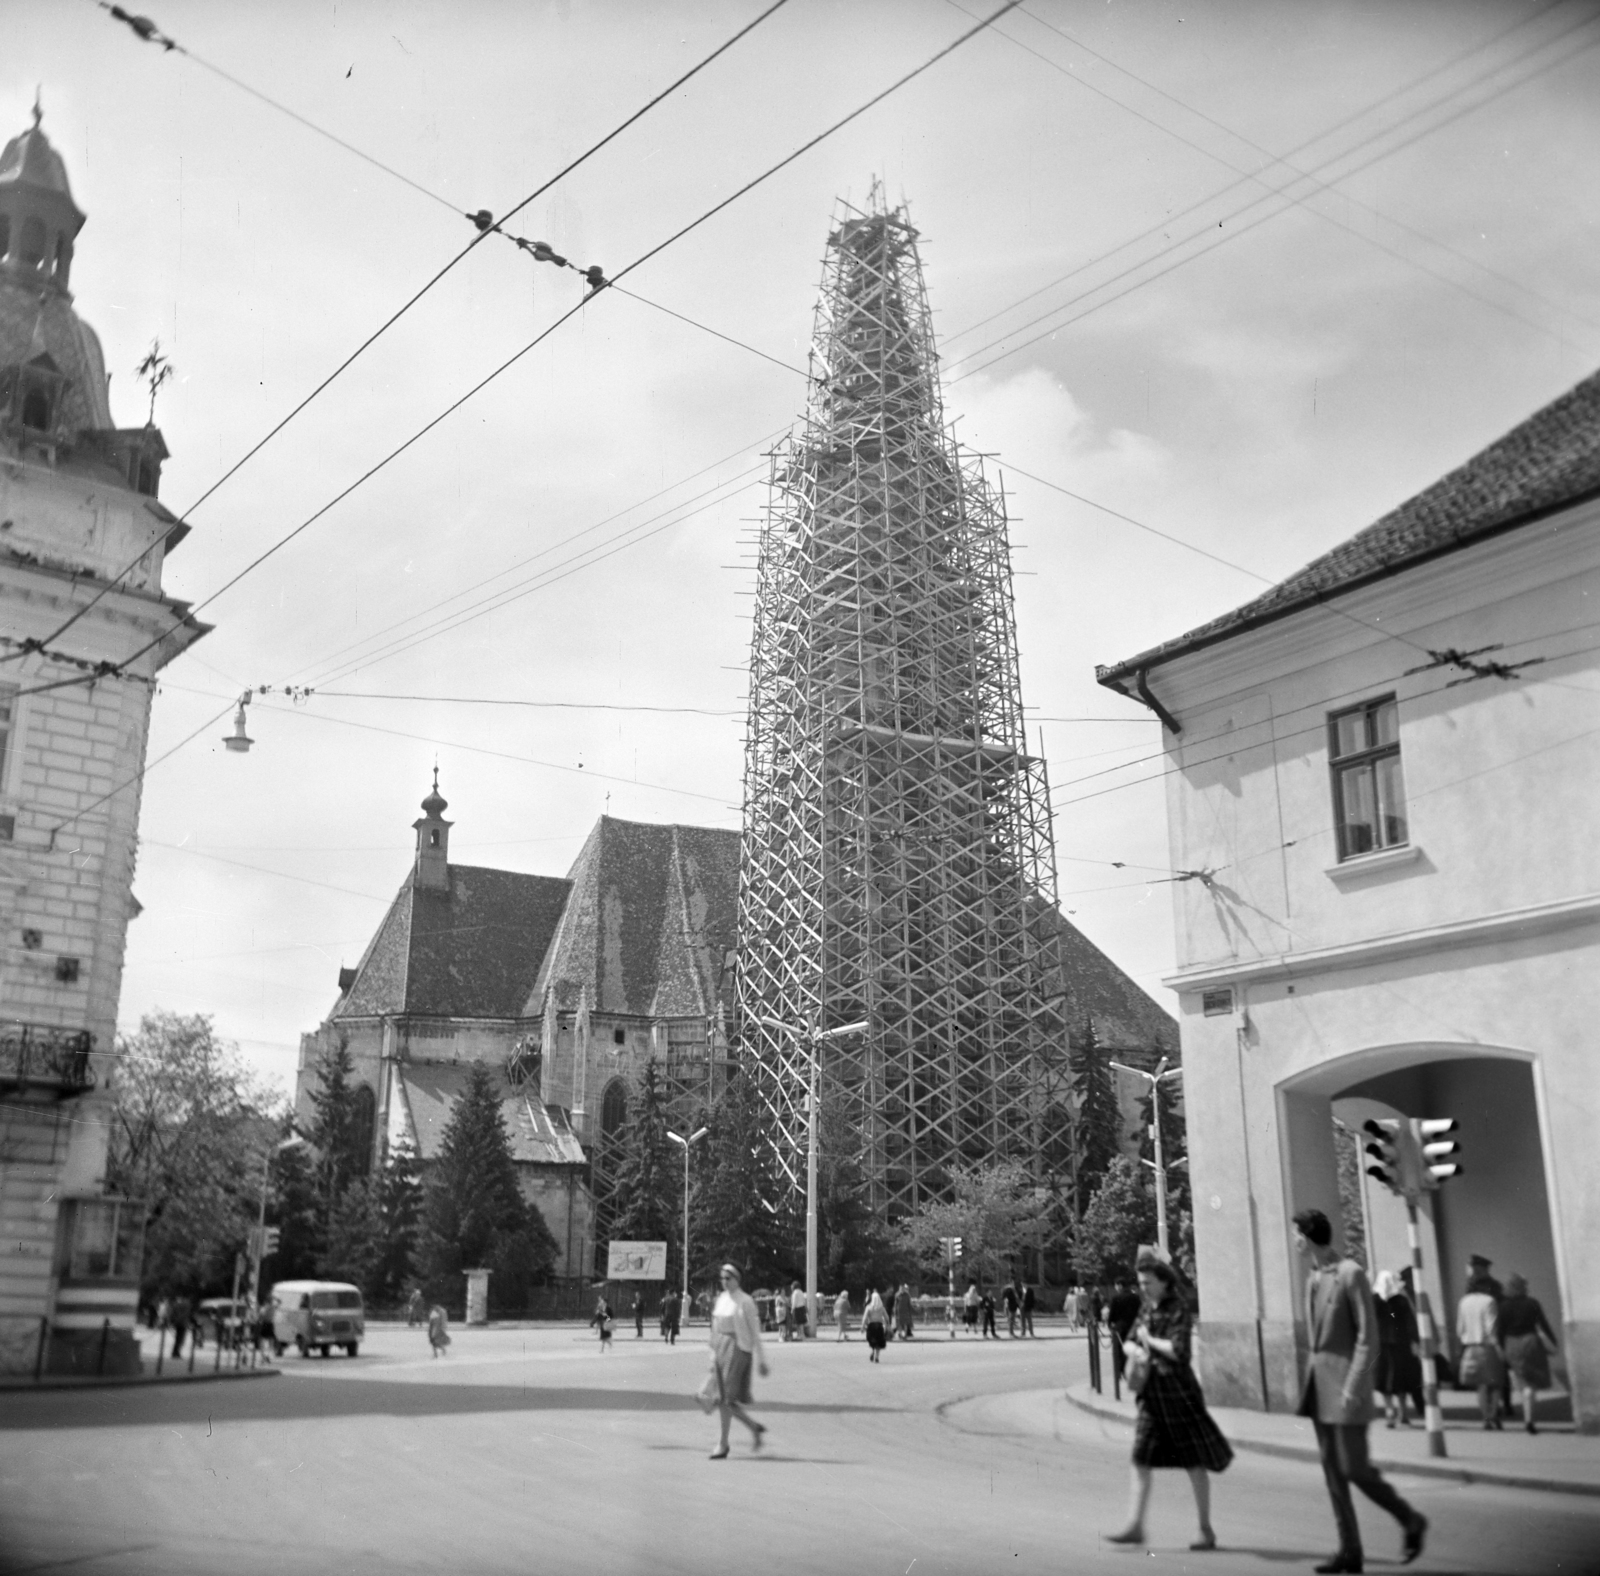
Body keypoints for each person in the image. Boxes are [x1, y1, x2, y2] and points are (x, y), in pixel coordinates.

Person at [1294, 1208, 1426, 1573]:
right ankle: (1349, 1550)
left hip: (1347, 1391)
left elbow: (1369, 1340)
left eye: (1296, 1235)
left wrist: (1355, 1385)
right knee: (1333, 1472)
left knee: (1354, 1468)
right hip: (1319, 1390)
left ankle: (1410, 1519)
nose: (1294, 1242)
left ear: (1307, 1236)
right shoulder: (1313, 1277)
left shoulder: (1350, 1274)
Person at [1105, 1256, 1230, 1551]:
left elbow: (1179, 1350)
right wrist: (1136, 1349)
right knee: (1140, 1458)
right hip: (1152, 1396)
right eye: (1140, 1284)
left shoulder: (1179, 1308)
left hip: (1178, 1396)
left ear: (1164, 1281)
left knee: (1193, 1462)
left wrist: (1149, 1342)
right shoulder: (1147, 1307)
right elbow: (1131, 1339)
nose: (1143, 1288)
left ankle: (1205, 1530)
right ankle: (1135, 1525)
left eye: (1148, 1283)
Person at [708, 1263, 768, 1459]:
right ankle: (752, 1428)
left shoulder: (746, 1301)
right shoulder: (721, 1299)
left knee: (725, 1399)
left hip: (738, 1349)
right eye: (722, 1278)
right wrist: (712, 1352)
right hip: (721, 1348)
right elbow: (715, 1327)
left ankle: (723, 1444)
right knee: (722, 1399)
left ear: (737, 1279)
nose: (724, 1282)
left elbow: (755, 1332)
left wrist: (762, 1359)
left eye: (729, 1278)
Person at [1497, 1273, 1558, 1433]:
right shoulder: (1533, 1303)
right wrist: (1554, 1341)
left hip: (1511, 1343)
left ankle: (1527, 1404)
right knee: (1531, 1380)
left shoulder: (1503, 1306)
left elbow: (1500, 1331)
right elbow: (1543, 1324)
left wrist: (1501, 1349)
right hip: (1531, 1342)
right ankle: (1529, 1417)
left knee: (1522, 1379)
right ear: (1522, 1287)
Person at [1372, 1271, 1422, 1428]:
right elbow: (1410, 1322)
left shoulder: (1374, 1300)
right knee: (1401, 1380)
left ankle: (1389, 1411)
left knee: (1385, 1380)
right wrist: (1416, 1340)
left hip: (1381, 1346)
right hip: (1401, 1345)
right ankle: (1402, 1413)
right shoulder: (1401, 1300)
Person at [1457, 1268, 1504, 1429]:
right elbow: (1491, 1327)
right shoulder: (1489, 1301)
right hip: (1488, 1347)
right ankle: (1493, 1414)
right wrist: (1498, 1347)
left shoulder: (1464, 1301)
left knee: (1481, 1386)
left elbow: (1460, 1329)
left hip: (1470, 1348)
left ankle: (1485, 1418)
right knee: (1495, 1383)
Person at [862, 1288, 889, 1361]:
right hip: (879, 1326)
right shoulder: (882, 1308)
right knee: (879, 1342)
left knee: (873, 1341)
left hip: (871, 1326)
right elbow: (887, 1317)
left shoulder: (869, 1307)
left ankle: (873, 1351)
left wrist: (862, 1327)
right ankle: (877, 1357)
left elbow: (865, 1318)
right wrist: (887, 1324)